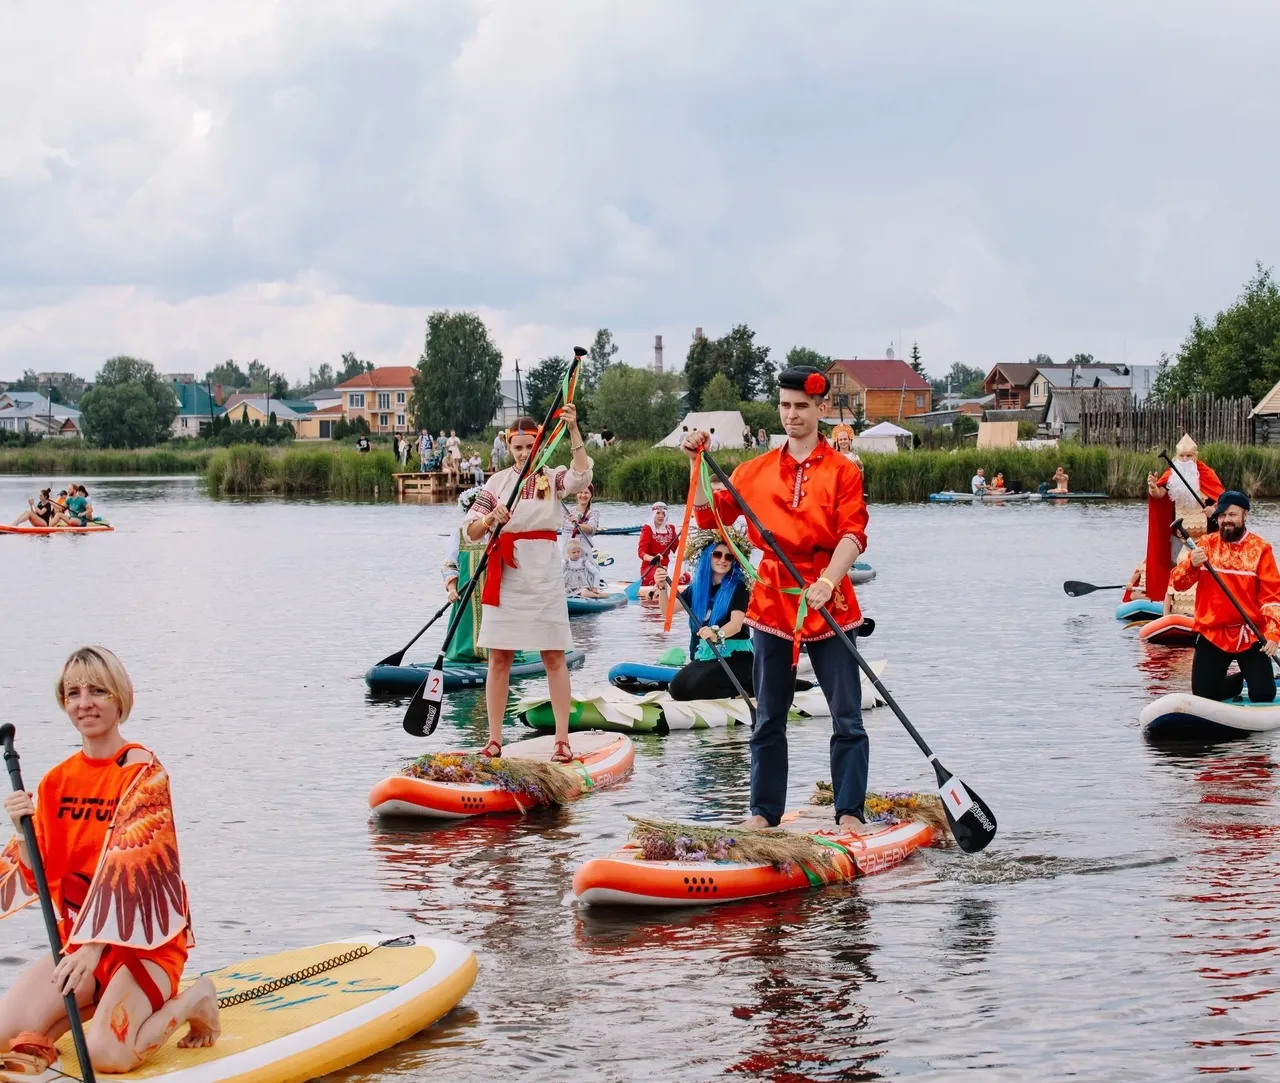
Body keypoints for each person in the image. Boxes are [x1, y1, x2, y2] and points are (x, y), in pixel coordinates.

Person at [0, 647, 219, 1073]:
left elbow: (135, 871)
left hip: (144, 946)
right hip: (79, 944)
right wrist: (22, 832)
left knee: (108, 1055)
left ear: (120, 697)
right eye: (73, 693)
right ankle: (94, 1007)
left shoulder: (144, 773)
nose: (85, 703)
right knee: (3, 1033)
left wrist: (94, 948)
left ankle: (195, 999)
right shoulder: (56, 781)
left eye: (98, 691)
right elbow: (41, 877)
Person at [682, 364, 869, 830]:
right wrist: (696, 465)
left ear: (821, 408)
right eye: (785, 405)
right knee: (767, 716)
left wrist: (829, 580)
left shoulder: (844, 471)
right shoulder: (754, 470)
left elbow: (854, 534)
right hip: (772, 600)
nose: (791, 415)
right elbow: (708, 517)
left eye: (801, 406)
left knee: (846, 716)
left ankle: (849, 812)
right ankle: (764, 814)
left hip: (828, 597)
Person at [465, 410, 592, 763]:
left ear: (539, 445)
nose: (523, 453)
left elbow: (581, 476)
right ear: (509, 447)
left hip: (543, 573)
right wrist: (491, 518)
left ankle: (562, 740)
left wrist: (573, 429)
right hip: (507, 574)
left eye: (529, 446)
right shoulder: (496, 484)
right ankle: (494, 740)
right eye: (518, 447)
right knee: (499, 658)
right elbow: (471, 531)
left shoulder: (551, 477)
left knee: (553, 655)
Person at [1170, 491, 1280, 703]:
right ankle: (1237, 681)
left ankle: (1252, 676)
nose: (1226, 520)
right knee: (1203, 696)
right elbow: (1178, 584)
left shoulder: (1261, 549)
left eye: (1232, 514)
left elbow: (1272, 596)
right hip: (1212, 632)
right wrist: (1191, 564)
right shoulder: (1205, 545)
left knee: (1264, 695)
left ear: (1245, 515)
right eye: (1222, 515)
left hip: (1249, 633)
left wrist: (1274, 634)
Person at [653, 528, 754, 701]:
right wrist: (662, 586)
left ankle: (745, 690)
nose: (723, 560)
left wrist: (716, 634)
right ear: (708, 556)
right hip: (707, 656)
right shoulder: (697, 588)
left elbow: (736, 625)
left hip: (735, 658)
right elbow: (667, 611)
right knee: (676, 688)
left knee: (698, 685)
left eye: (729, 557)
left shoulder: (739, 587)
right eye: (718, 555)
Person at [1145, 434, 1225, 605]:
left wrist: (1214, 509)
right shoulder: (1171, 474)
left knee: (1205, 566)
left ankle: (1205, 602)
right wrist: (1153, 487)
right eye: (1182, 456)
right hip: (1179, 530)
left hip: (1204, 531)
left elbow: (1222, 499)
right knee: (1178, 564)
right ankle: (1175, 606)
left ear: (1195, 456)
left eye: (1189, 456)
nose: (1185, 459)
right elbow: (1159, 495)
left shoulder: (1206, 473)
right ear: (1176, 456)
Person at [637, 502, 678, 586]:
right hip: (650, 567)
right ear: (653, 514)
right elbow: (641, 552)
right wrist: (653, 558)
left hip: (667, 566)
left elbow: (677, 549)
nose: (661, 516)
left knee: (685, 576)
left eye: (663, 513)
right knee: (661, 576)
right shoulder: (647, 529)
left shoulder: (671, 529)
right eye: (658, 513)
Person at [562, 486, 600, 557]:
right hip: (567, 551)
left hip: (585, 552)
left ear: (591, 495)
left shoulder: (594, 512)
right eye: (580, 492)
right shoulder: (567, 511)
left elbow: (591, 529)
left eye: (586, 493)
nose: (583, 495)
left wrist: (578, 524)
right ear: (576, 495)